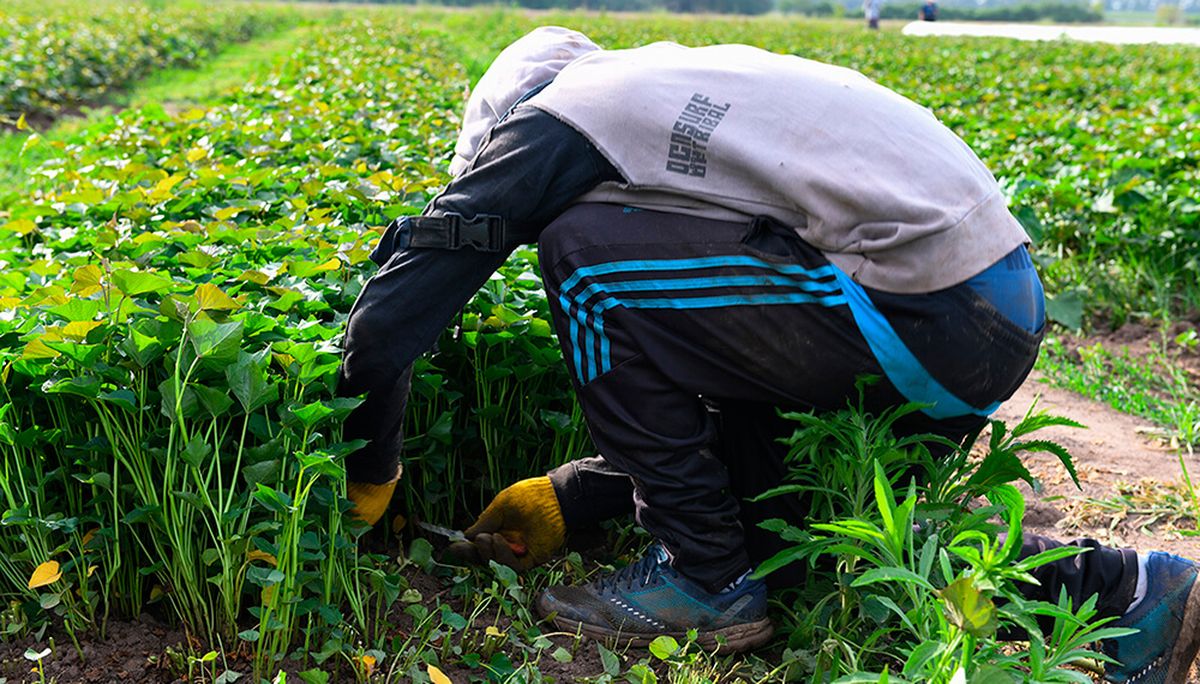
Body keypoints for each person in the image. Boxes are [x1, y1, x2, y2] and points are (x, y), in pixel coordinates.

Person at [337, 27, 1200, 678]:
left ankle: (703, 578)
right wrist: (571, 498)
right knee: (822, 541)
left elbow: (391, 318)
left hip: (918, 306)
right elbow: (721, 348)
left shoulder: (563, 114)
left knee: (582, 256)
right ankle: (1132, 591)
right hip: (985, 313)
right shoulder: (680, 91)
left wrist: (369, 479)